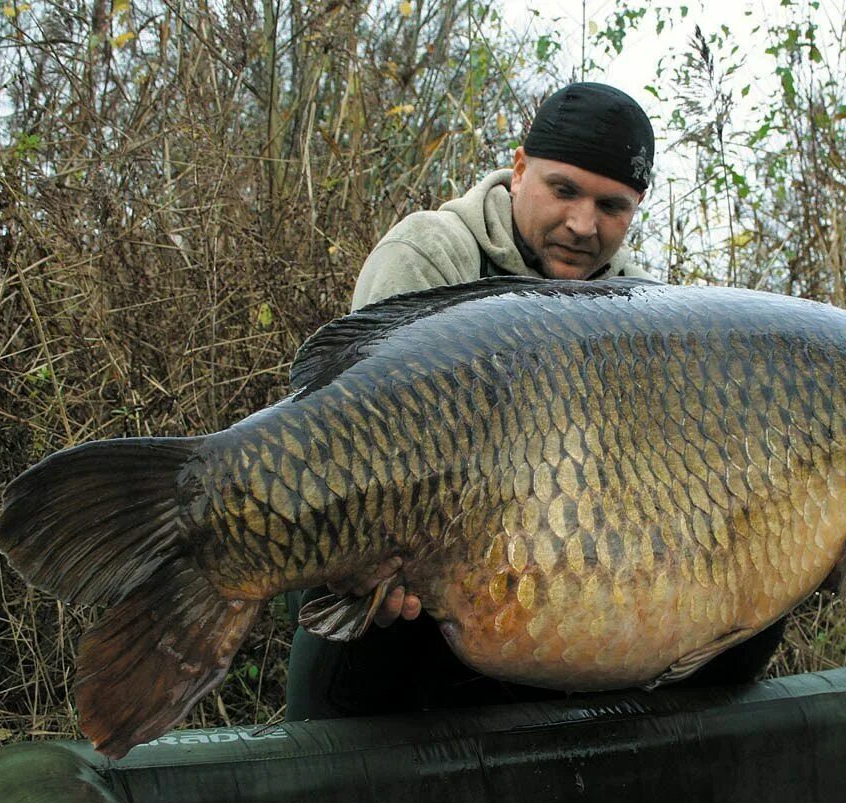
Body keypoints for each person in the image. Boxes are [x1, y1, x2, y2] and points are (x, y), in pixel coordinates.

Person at [285, 82, 785, 721]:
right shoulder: (431, 253)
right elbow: (357, 441)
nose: (583, 224)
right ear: (518, 169)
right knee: (365, 600)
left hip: (545, 584)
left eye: (612, 205)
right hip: (411, 562)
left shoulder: (645, 311)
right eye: (564, 189)